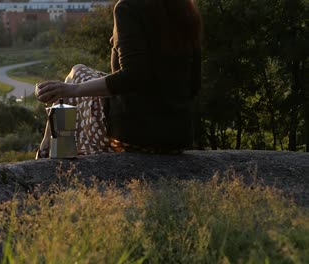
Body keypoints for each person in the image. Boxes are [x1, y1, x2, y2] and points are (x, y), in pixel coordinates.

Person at [35, 0, 202, 158]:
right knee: (80, 74)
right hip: (179, 137)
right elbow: (194, 84)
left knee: (77, 76)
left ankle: (51, 155)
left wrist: (73, 90)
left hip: (138, 137)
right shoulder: (184, 8)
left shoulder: (128, 7)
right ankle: (48, 148)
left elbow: (132, 76)